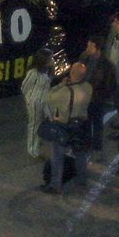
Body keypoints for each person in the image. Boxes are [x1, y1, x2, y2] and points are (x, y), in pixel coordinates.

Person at [42, 62, 91, 195]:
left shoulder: (64, 92)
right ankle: (82, 181)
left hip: (65, 126)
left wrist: (62, 84)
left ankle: (55, 185)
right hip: (81, 125)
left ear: (71, 73)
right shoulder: (88, 87)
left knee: (57, 156)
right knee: (80, 154)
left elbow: (48, 98)